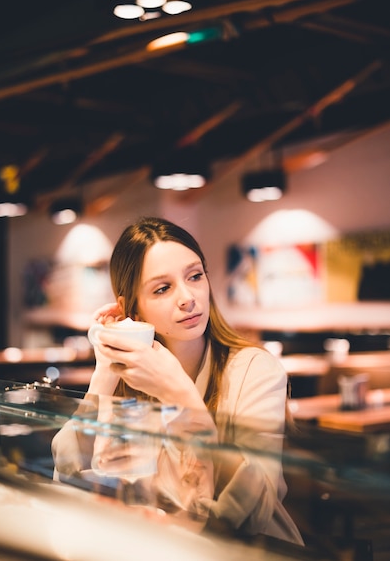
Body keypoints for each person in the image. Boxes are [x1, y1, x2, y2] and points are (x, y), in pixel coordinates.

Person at [52, 216, 303, 546]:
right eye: (162, 288)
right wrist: (105, 372)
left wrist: (180, 393)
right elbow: (64, 473)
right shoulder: (129, 379)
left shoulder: (255, 370)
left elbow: (251, 510)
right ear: (132, 309)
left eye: (195, 276)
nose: (188, 297)